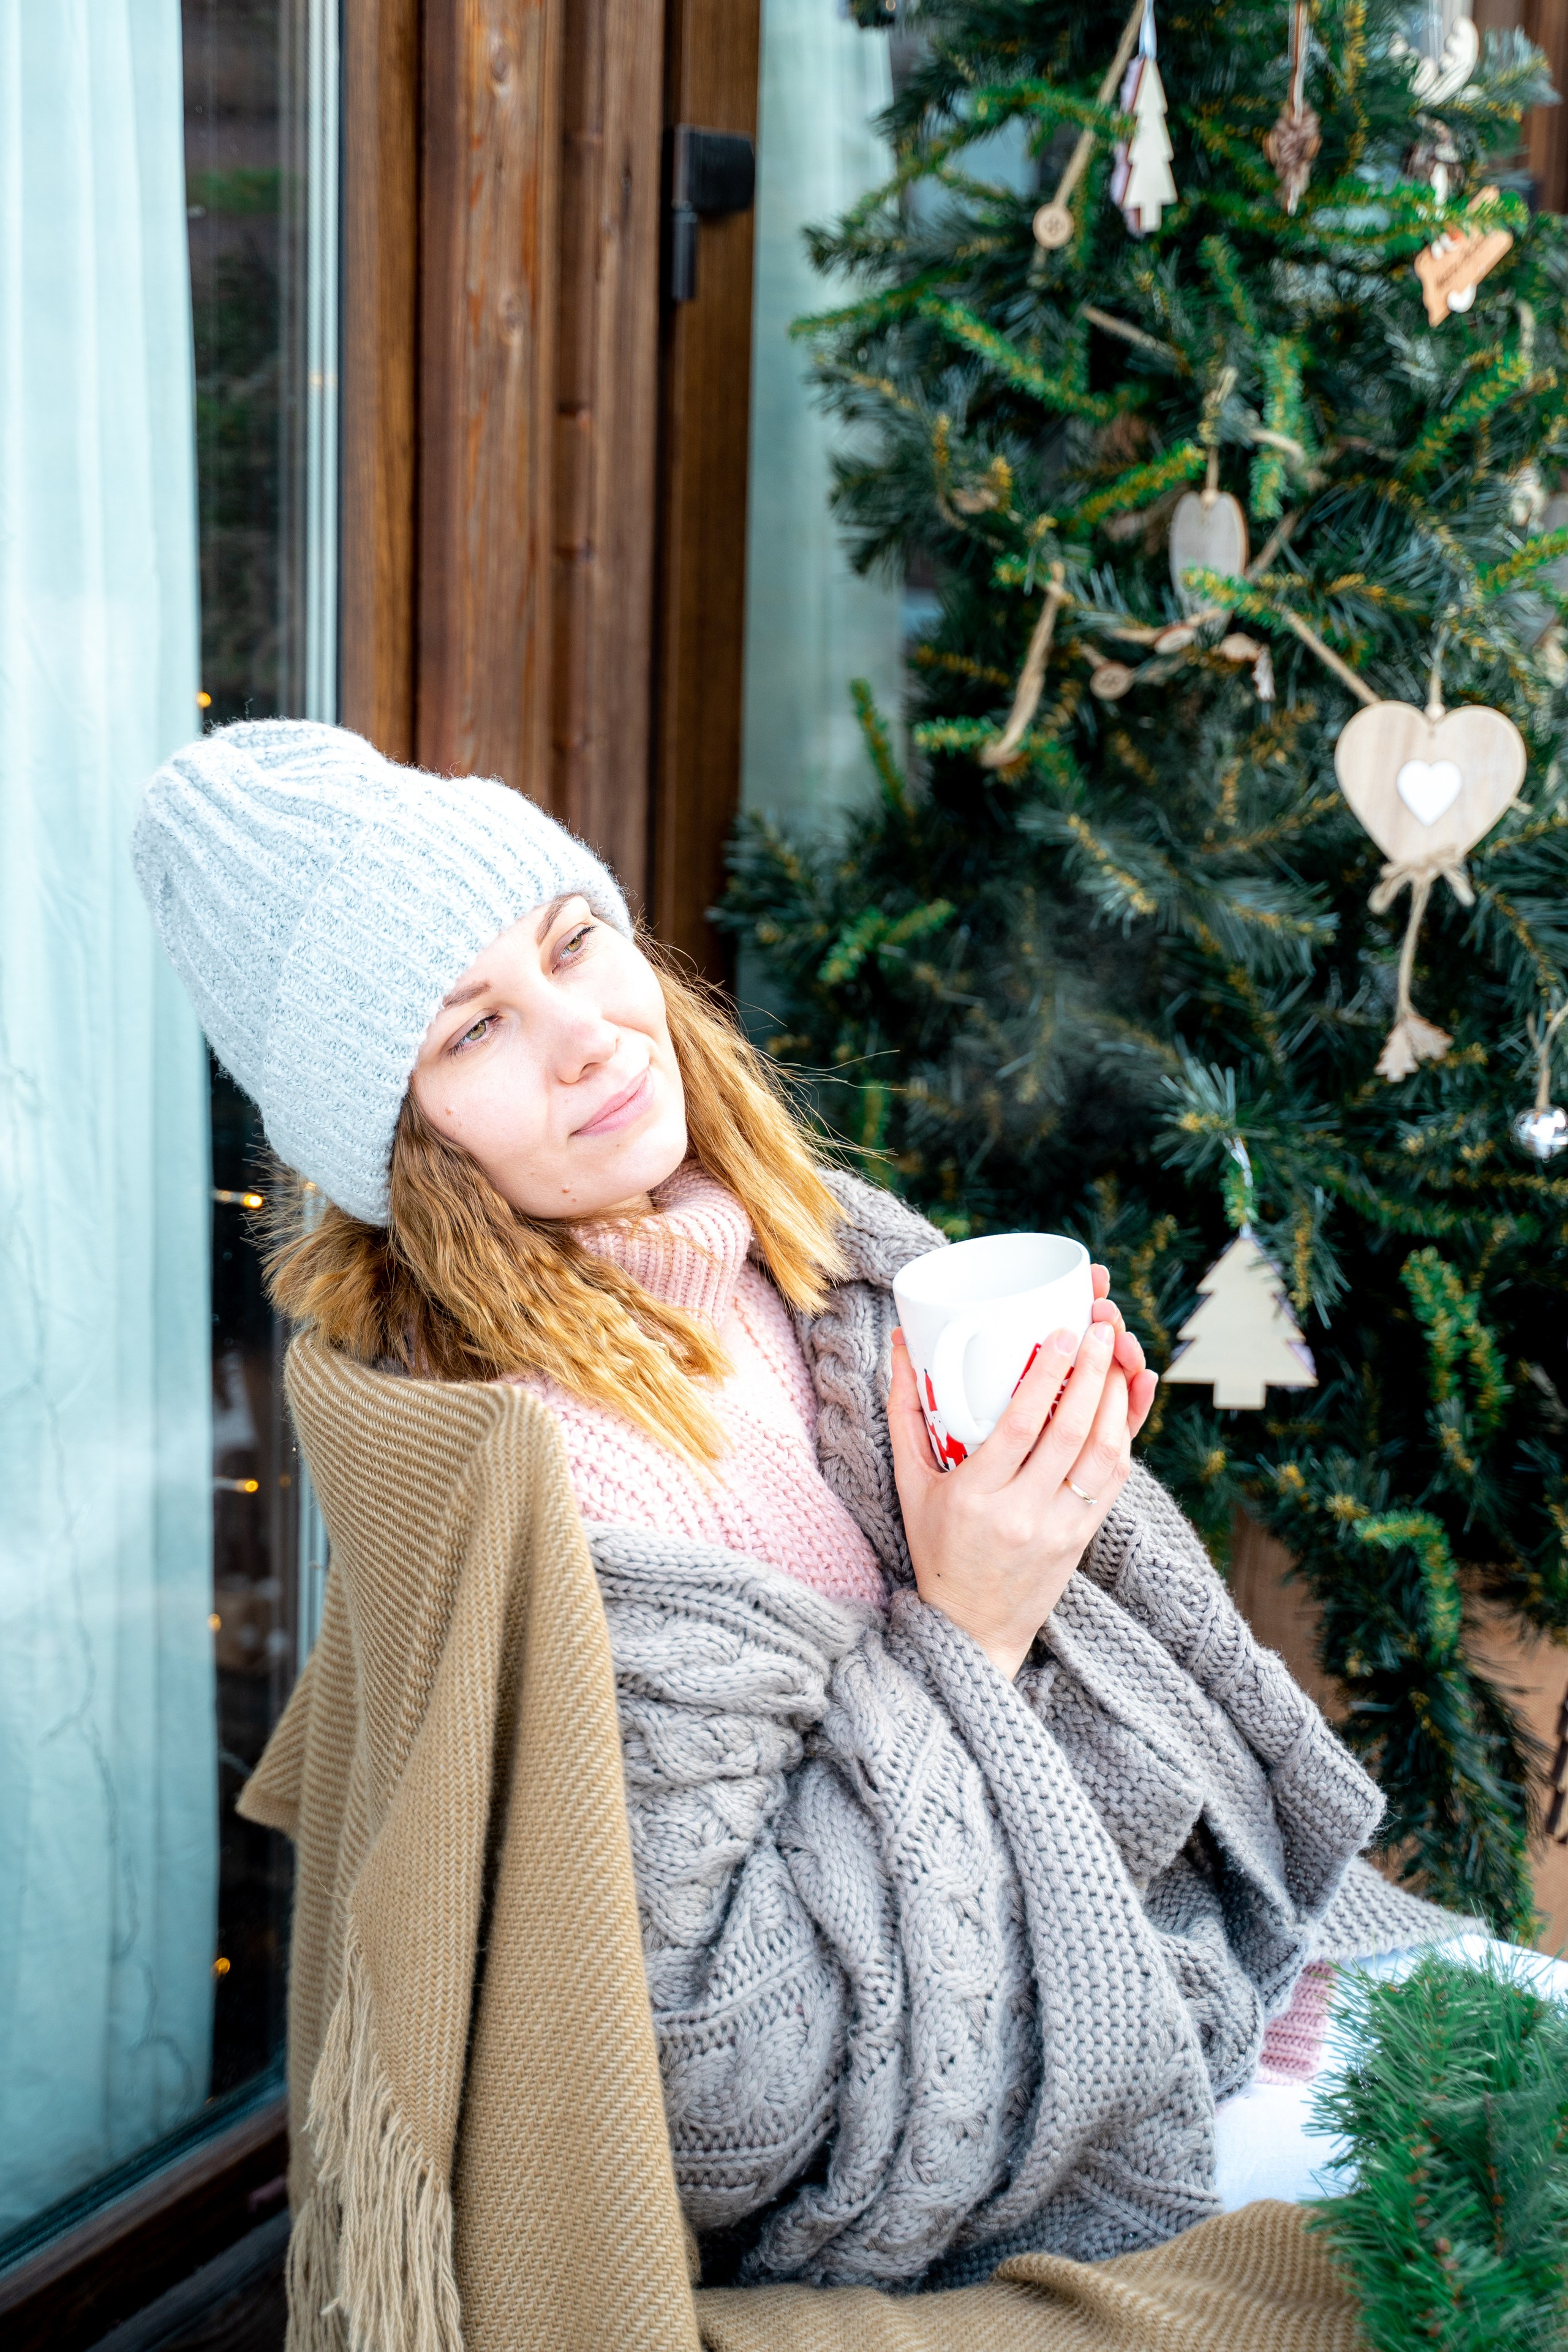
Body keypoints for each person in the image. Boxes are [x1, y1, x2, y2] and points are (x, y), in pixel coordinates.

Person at [134, 720, 1502, 2296]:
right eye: (472, 1032)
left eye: (577, 945)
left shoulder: (812, 1258)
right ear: (392, 1143)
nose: (587, 1037)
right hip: (966, 2136)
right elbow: (740, 2087)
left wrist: (1055, 1525)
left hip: (1164, 1967)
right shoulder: (562, 1474)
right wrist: (976, 1610)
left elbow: (1069, 1734)